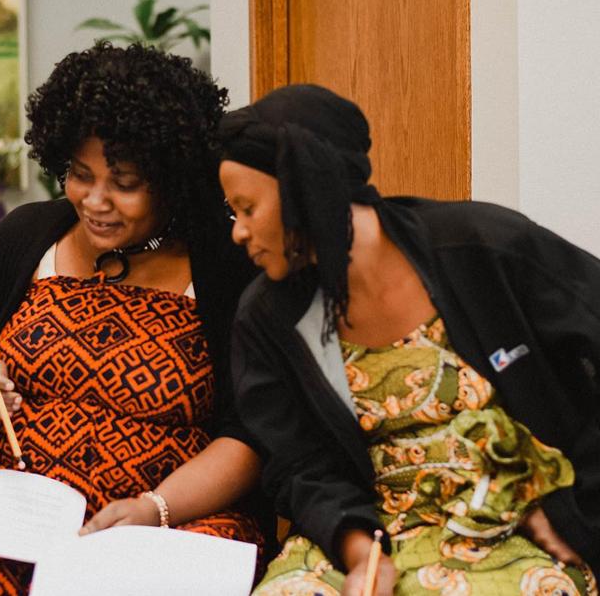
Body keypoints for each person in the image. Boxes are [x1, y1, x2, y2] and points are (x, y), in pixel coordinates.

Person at [218, 84, 600, 595]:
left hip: (509, 528)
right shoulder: (267, 315)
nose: (238, 233)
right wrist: (361, 554)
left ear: (307, 192)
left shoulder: (482, 247)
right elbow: (299, 464)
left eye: (247, 209)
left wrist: (580, 512)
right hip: (361, 537)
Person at [0, 42, 271, 594]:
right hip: (22, 515)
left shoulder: (224, 262)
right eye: (80, 174)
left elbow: (252, 434)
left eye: (125, 182)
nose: (94, 200)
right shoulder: (25, 239)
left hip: (176, 513)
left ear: (171, 176)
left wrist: (152, 508)